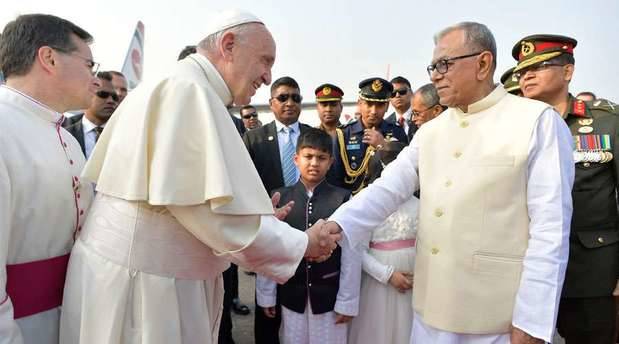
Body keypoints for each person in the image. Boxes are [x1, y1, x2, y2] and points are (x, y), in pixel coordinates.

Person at [58, 10, 339, 344]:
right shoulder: (188, 92)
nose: (267, 77)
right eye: (265, 60)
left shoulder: (184, 87)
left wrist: (258, 220)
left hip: (146, 280)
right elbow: (215, 219)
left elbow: (201, 209)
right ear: (229, 45)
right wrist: (302, 242)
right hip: (147, 293)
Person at [323, 21, 575, 344]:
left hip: (498, 321)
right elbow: (389, 188)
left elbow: (550, 231)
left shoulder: (536, 123)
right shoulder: (430, 132)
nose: (435, 75)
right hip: (431, 314)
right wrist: (336, 227)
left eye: (444, 64)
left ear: (483, 63)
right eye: (432, 66)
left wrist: (532, 321)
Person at [513, 34, 619, 344]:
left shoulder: (606, 123)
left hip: (591, 274)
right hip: (527, 274)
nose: (527, 76)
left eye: (540, 66)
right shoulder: (514, 128)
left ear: (568, 72)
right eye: (522, 71)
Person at [0, 14, 97, 344]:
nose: (95, 79)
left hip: (70, 316)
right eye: (89, 65)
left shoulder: (66, 138)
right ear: (49, 58)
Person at [257, 128, 360, 344]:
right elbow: (268, 248)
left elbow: (352, 253)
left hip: (329, 298)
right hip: (291, 294)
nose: (314, 163)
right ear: (296, 159)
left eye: (321, 158)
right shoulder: (280, 197)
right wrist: (267, 294)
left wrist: (347, 300)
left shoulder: (343, 199)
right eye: (308, 156)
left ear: (331, 162)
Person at [243, 76, 311, 344]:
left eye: (295, 97)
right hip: (269, 226)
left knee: (302, 294)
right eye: (283, 97)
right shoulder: (254, 139)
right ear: (271, 103)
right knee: (268, 303)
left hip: (307, 223)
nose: (289, 102)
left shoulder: (312, 137)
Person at [348, 141, 417, 344]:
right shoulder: (367, 201)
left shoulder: (424, 202)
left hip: (415, 281)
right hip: (379, 283)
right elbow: (356, 249)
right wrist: (387, 275)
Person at [328, 78, 407, 194]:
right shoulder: (343, 134)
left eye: (380, 105)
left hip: (388, 202)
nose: (374, 111)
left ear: (387, 106)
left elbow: (404, 170)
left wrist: (384, 146)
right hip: (353, 201)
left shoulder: (397, 132)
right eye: (369, 104)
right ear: (360, 103)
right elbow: (335, 178)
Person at [64, 71, 119, 158]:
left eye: (114, 97)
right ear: (87, 94)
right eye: (103, 94)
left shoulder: (124, 134)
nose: (111, 101)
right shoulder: (62, 130)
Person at [386, 76, 416, 142]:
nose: (397, 95)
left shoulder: (422, 116)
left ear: (411, 93)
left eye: (402, 91)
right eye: (393, 93)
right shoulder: (386, 124)